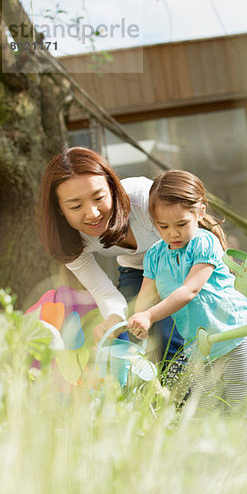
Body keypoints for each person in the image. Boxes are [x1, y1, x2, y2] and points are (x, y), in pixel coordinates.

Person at [127, 169, 247, 420]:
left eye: (181, 224)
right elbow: (145, 299)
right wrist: (138, 320)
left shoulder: (204, 242)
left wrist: (150, 315)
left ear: (200, 211)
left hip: (235, 338)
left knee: (245, 413)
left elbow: (189, 290)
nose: (172, 233)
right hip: (200, 349)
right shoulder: (155, 256)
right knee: (206, 416)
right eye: (163, 226)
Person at [37, 146, 184, 360]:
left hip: (183, 262)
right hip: (136, 269)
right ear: (59, 208)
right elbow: (104, 292)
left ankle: (189, 387)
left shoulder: (145, 199)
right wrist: (114, 318)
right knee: (120, 341)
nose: (93, 214)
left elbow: (183, 254)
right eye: (76, 206)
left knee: (167, 336)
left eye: (99, 198)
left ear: (112, 187)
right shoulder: (69, 240)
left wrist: (150, 307)